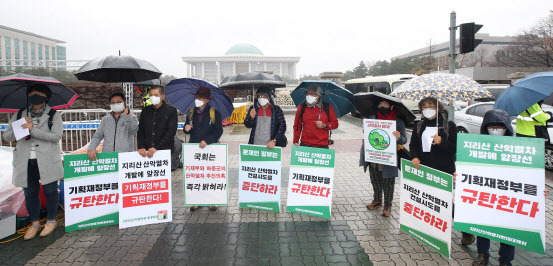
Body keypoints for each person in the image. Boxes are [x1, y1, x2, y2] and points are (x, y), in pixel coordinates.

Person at [4, 84, 63, 240]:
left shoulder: (54, 115)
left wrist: (33, 130)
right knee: (30, 193)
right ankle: (35, 223)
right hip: (25, 161)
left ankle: (51, 220)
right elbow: (7, 136)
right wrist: (21, 128)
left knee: (50, 192)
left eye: (39, 93)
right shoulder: (19, 114)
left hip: (47, 160)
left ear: (45, 96)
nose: (34, 95)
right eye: (32, 93)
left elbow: (56, 136)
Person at [359, 99, 407, 217]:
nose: (382, 107)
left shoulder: (398, 122)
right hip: (373, 156)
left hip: (389, 158)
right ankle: (377, 200)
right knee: (375, 180)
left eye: (385, 105)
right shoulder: (373, 118)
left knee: (388, 183)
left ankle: (387, 205)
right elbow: (367, 133)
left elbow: (404, 140)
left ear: (391, 107)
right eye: (380, 104)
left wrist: (399, 137)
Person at [183, 87, 223, 211]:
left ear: (206, 100)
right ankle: (196, 201)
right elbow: (186, 128)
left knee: (210, 175)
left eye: (200, 98)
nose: (197, 100)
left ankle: (213, 201)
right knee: (196, 175)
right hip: (194, 148)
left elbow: (219, 131)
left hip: (210, 148)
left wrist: (207, 141)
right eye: (196, 98)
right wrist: (186, 128)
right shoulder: (191, 112)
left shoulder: (214, 112)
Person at [87, 92, 139, 160]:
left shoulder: (132, 117)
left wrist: (128, 117)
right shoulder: (105, 119)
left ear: (125, 103)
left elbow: (133, 131)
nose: (116, 104)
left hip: (125, 156)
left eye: (119, 102)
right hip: (108, 156)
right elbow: (98, 135)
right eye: (113, 103)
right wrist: (91, 148)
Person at [137, 85, 178, 158]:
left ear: (162, 96)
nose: (153, 97)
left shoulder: (171, 110)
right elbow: (141, 130)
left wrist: (156, 147)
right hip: (147, 151)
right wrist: (141, 146)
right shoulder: (145, 110)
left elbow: (171, 132)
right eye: (151, 95)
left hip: (164, 151)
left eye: (156, 95)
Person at [292, 84, 339, 149]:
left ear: (318, 96)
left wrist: (324, 125)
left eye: (312, 94)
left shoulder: (327, 107)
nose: (309, 96)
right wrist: (295, 140)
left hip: (322, 145)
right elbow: (297, 125)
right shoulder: (302, 107)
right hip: (305, 144)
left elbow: (335, 124)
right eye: (307, 94)